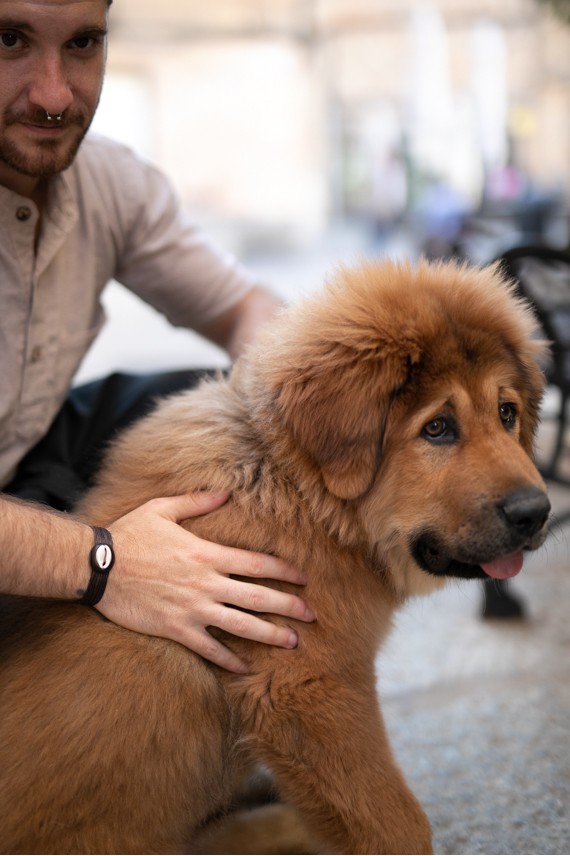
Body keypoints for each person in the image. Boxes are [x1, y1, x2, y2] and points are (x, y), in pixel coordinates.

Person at [0, 0, 315, 674]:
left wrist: (299, 415)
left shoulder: (109, 180)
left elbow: (243, 311)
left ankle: (251, 690)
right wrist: (106, 562)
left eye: (83, 43)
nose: (55, 94)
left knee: (226, 425)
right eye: (10, 40)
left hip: (23, 461)